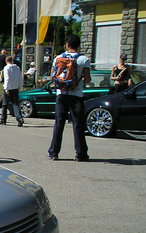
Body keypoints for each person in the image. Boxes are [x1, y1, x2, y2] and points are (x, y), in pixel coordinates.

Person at [47, 34, 91, 162]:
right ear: (78, 45)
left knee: (59, 123)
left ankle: (53, 152)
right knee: (78, 124)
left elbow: (52, 77)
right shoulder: (84, 59)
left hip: (61, 94)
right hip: (76, 96)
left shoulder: (58, 58)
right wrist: (80, 77)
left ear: (67, 44)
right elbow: (88, 79)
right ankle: (81, 153)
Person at [0, 56, 24, 127]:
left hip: (9, 88)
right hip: (15, 88)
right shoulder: (17, 68)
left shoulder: (6, 68)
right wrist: (20, 87)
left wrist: (6, 89)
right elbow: (20, 78)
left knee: (4, 104)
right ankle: (19, 118)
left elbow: (7, 79)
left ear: (6, 61)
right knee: (15, 104)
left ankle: (3, 119)